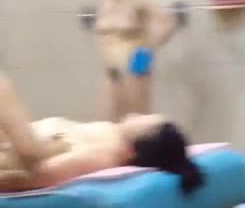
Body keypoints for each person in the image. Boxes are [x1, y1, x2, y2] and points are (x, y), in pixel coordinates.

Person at [0, 73, 203, 194]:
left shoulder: (103, 155)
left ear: (133, 149)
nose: (139, 114)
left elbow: (39, 175)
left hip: (18, 155)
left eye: (145, 118)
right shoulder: (112, 136)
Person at [94, 0, 177, 121]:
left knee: (136, 122)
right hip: (112, 71)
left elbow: (168, 23)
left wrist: (146, 53)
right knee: (108, 122)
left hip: (135, 69)